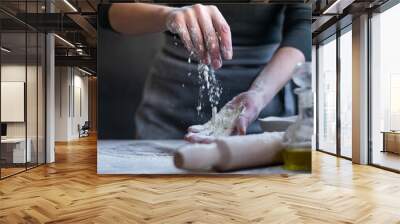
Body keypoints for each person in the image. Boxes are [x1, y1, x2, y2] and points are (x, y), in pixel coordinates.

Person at [103, 3, 311, 141]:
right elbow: (107, 11)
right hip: (168, 109)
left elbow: (303, 25)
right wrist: (169, 15)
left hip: (262, 100)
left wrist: (259, 94)